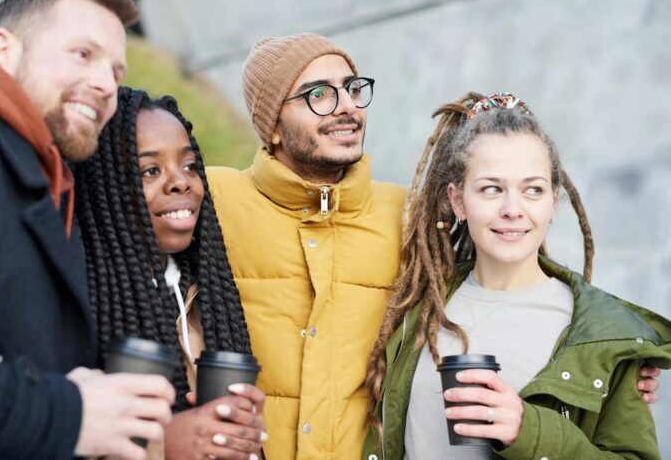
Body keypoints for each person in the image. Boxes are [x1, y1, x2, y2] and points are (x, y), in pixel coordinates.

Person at [0, 0, 174, 460]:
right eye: (83, 54)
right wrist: (64, 413)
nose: (106, 84)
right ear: (3, 50)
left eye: (116, 70)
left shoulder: (52, 183)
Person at [363, 92, 671, 460]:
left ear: (553, 202)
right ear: (458, 200)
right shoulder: (415, 305)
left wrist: (528, 431)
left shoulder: (601, 334)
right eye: (491, 189)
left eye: (533, 190)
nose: (513, 209)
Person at [206, 33, 407, 460]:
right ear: (272, 126)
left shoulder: (406, 214)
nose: (348, 106)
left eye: (353, 88)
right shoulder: (213, 199)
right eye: (319, 94)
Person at [73, 86, 267, 460]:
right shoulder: (81, 310)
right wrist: (169, 444)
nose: (182, 182)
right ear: (105, 190)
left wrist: (243, 440)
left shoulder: (206, 299)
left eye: (190, 165)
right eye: (150, 170)